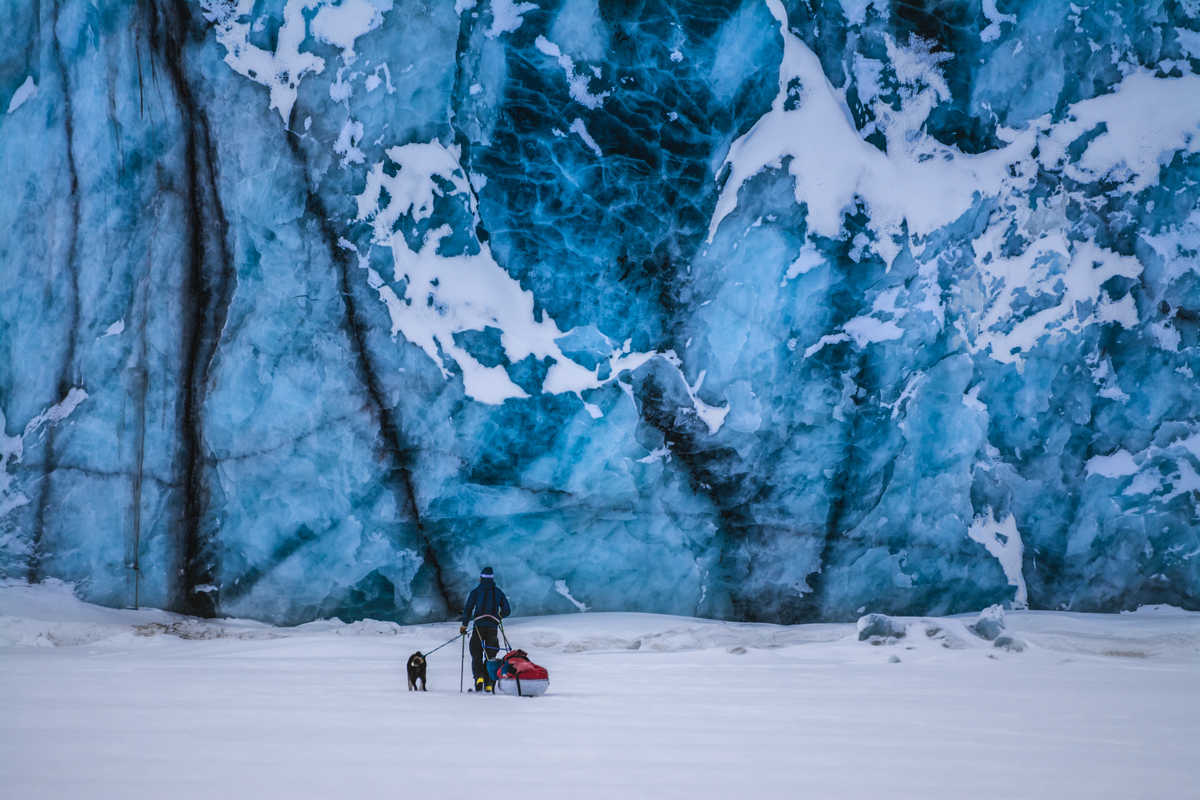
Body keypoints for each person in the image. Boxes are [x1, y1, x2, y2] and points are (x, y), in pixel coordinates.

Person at [459, 566, 511, 692]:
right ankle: (489, 683)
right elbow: (507, 610)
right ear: (492, 578)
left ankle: (479, 678)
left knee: (476, 653)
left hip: (478, 626)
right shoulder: (498, 592)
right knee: (490, 655)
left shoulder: (475, 592)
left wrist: (464, 625)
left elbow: (468, 609)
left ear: (481, 578)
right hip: (492, 627)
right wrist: (498, 616)